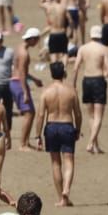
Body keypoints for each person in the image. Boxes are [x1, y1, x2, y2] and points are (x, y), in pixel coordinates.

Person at [36, 65, 81, 206]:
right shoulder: (71, 91)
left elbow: (41, 115)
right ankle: (66, 190)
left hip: (51, 126)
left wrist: (37, 135)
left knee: (55, 163)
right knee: (69, 161)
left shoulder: (46, 92)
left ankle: (61, 198)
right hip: (67, 125)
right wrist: (78, 129)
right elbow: (78, 113)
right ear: (64, 73)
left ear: (51, 74)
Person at [73, 24, 108, 155]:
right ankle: (90, 143)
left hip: (86, 81)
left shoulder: (83, 48)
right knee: (99, 116)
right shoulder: (104, 49)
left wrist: (73, 85)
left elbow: (76, 67)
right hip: (98, 80)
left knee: (91, 116)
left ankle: (95, 146)